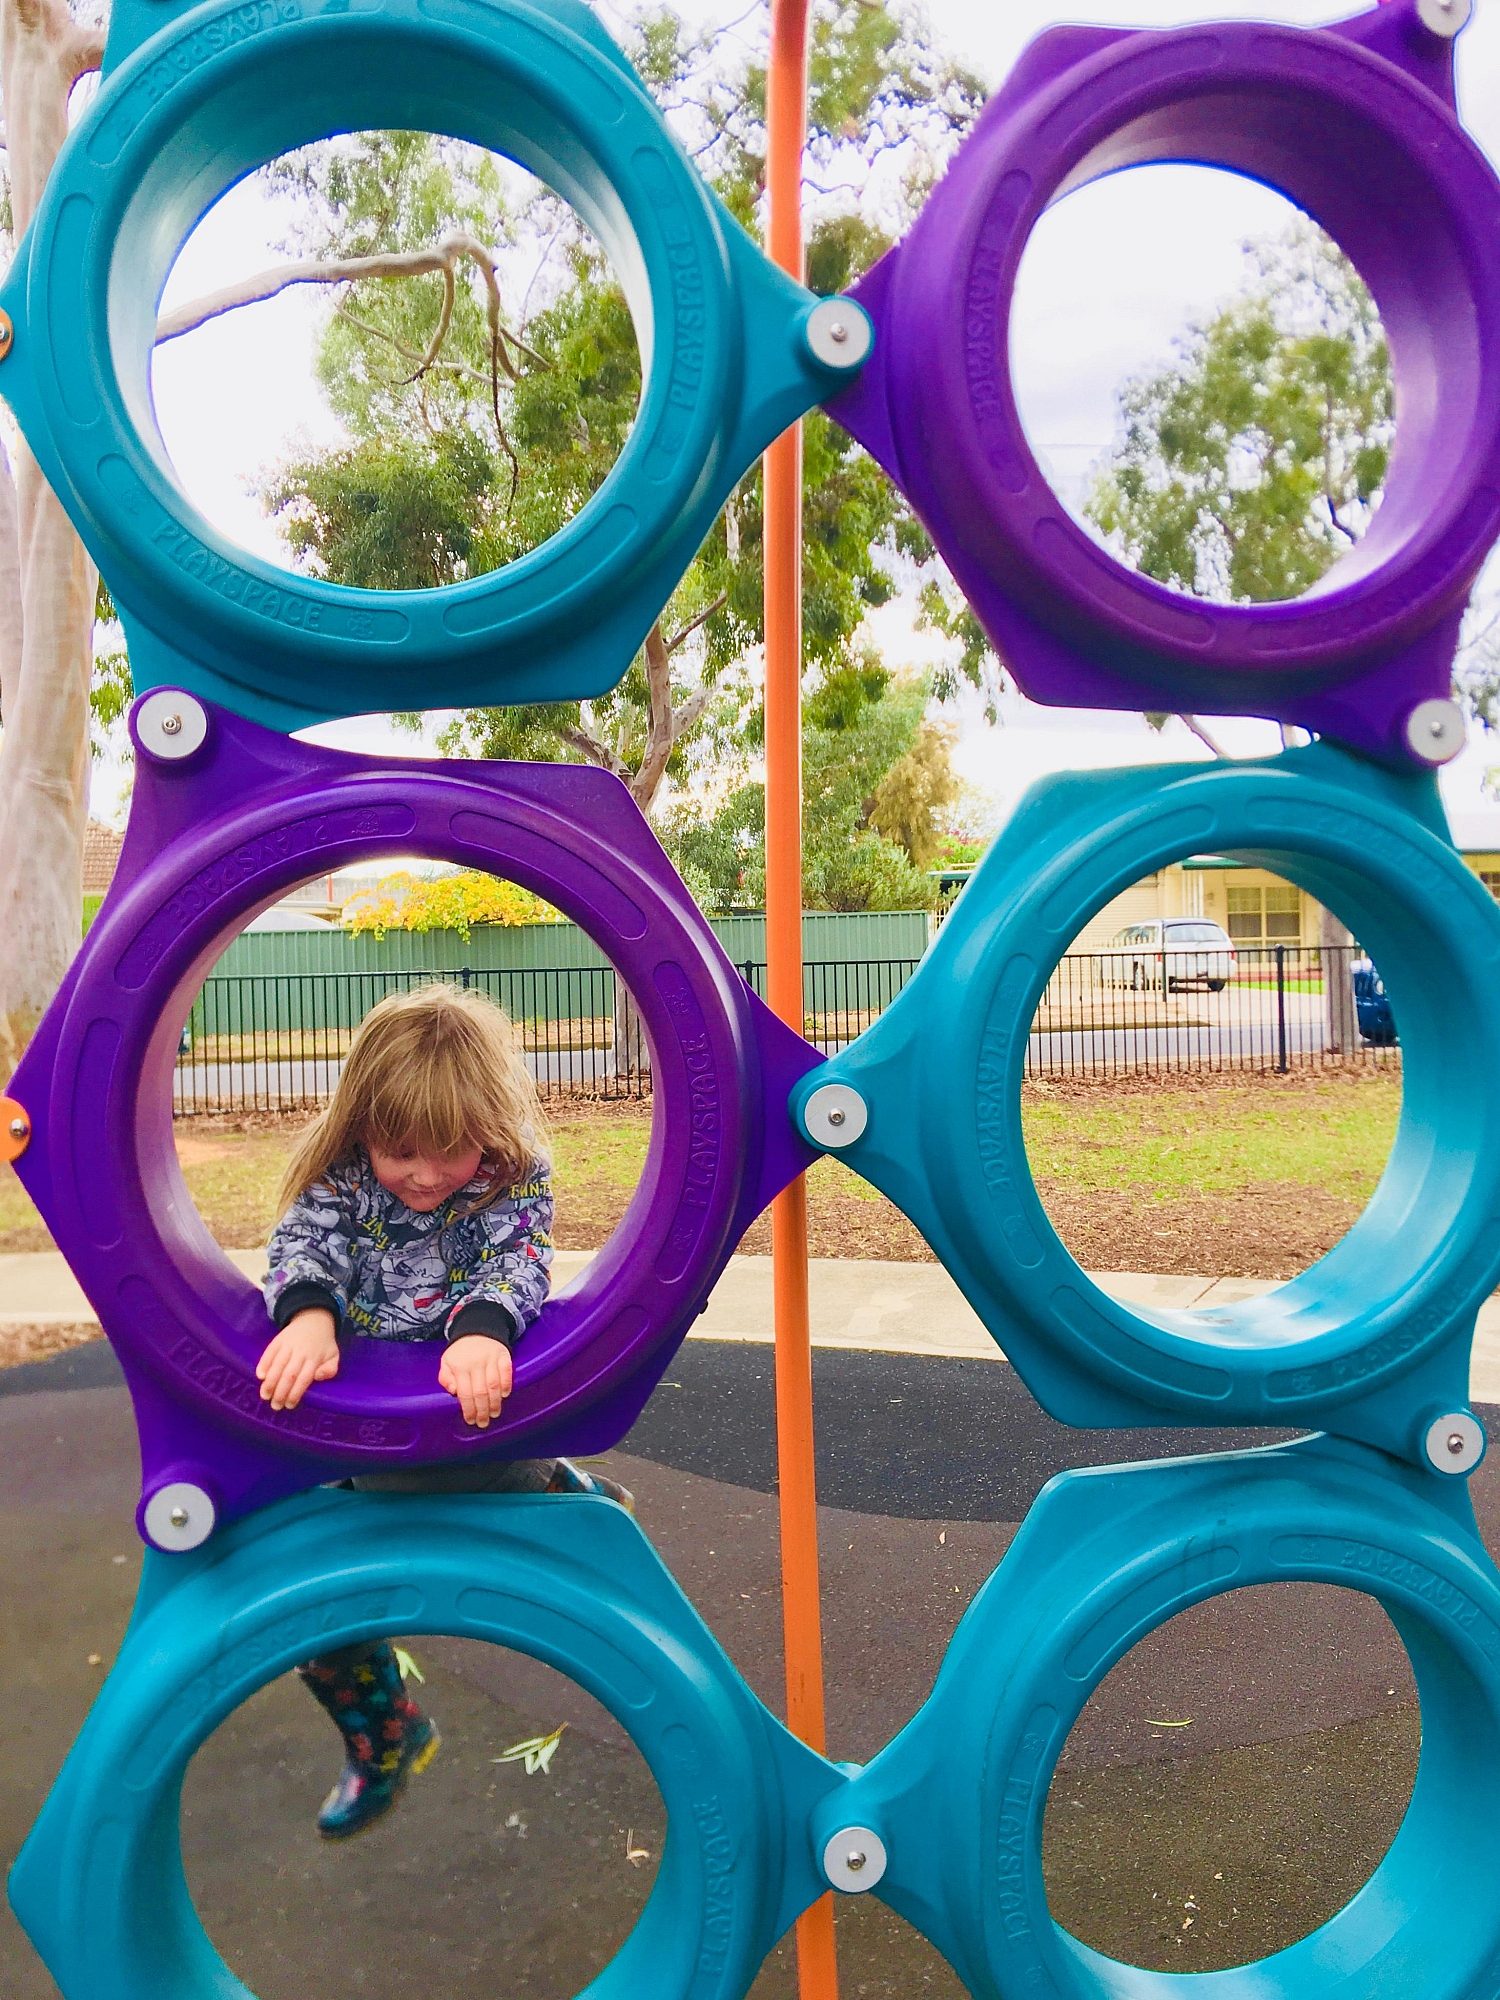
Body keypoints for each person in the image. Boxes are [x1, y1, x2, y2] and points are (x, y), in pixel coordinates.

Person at [257, 982, 632, 1839]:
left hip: (474, 1424)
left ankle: (572, 1499)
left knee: (549, 1522)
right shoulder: (347, 1176)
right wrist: (311, 1314)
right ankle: (386, 1736)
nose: (427, 1176)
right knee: (313, 1625)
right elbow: (303, 1242)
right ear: (363, 1128)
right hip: (364, 1445)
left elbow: (519, 1260)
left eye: (451, 1151)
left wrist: (481, 1330)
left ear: (488, 1130)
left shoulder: (508, 1174)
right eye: (401, 1152)